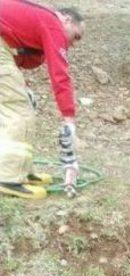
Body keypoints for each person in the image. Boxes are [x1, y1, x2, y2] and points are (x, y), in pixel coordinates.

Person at [0, 1, 84, 200]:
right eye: (76, 36)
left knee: (23, 104)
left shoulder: (41, 20)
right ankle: (8, 178)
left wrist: (25, 87)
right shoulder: (52, 22)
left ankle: (21, 171)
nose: (73, 43)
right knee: (19, 111)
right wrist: (68, 118)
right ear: (67, 19)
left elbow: (14, 60)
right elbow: (60, 75)